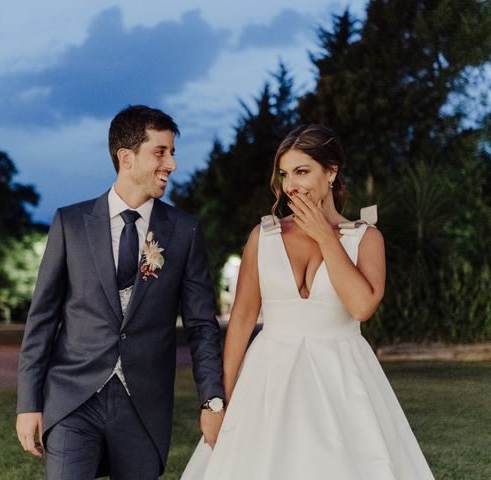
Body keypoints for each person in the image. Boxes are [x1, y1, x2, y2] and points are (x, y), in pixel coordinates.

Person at [181, 124, 435, 479]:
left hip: (341, 381)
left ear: (331, 172)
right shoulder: (263, 236)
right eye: (285, 174)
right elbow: (241, 319)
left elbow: (362, 306)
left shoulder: (366, 238)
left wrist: (324, 235)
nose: (291, 185)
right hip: (269, 378)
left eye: (302, 171)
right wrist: (219, 403)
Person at [16, 105, 225, 480]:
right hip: (73, 398)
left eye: (172, 152)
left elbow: (201, 326)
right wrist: (28, 403)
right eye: (160, 152)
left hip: (144, 405)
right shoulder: (71, 223)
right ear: (125, 157)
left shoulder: (183, 231)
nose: (172, 164)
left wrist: (212, 400)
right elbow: (42, 318)